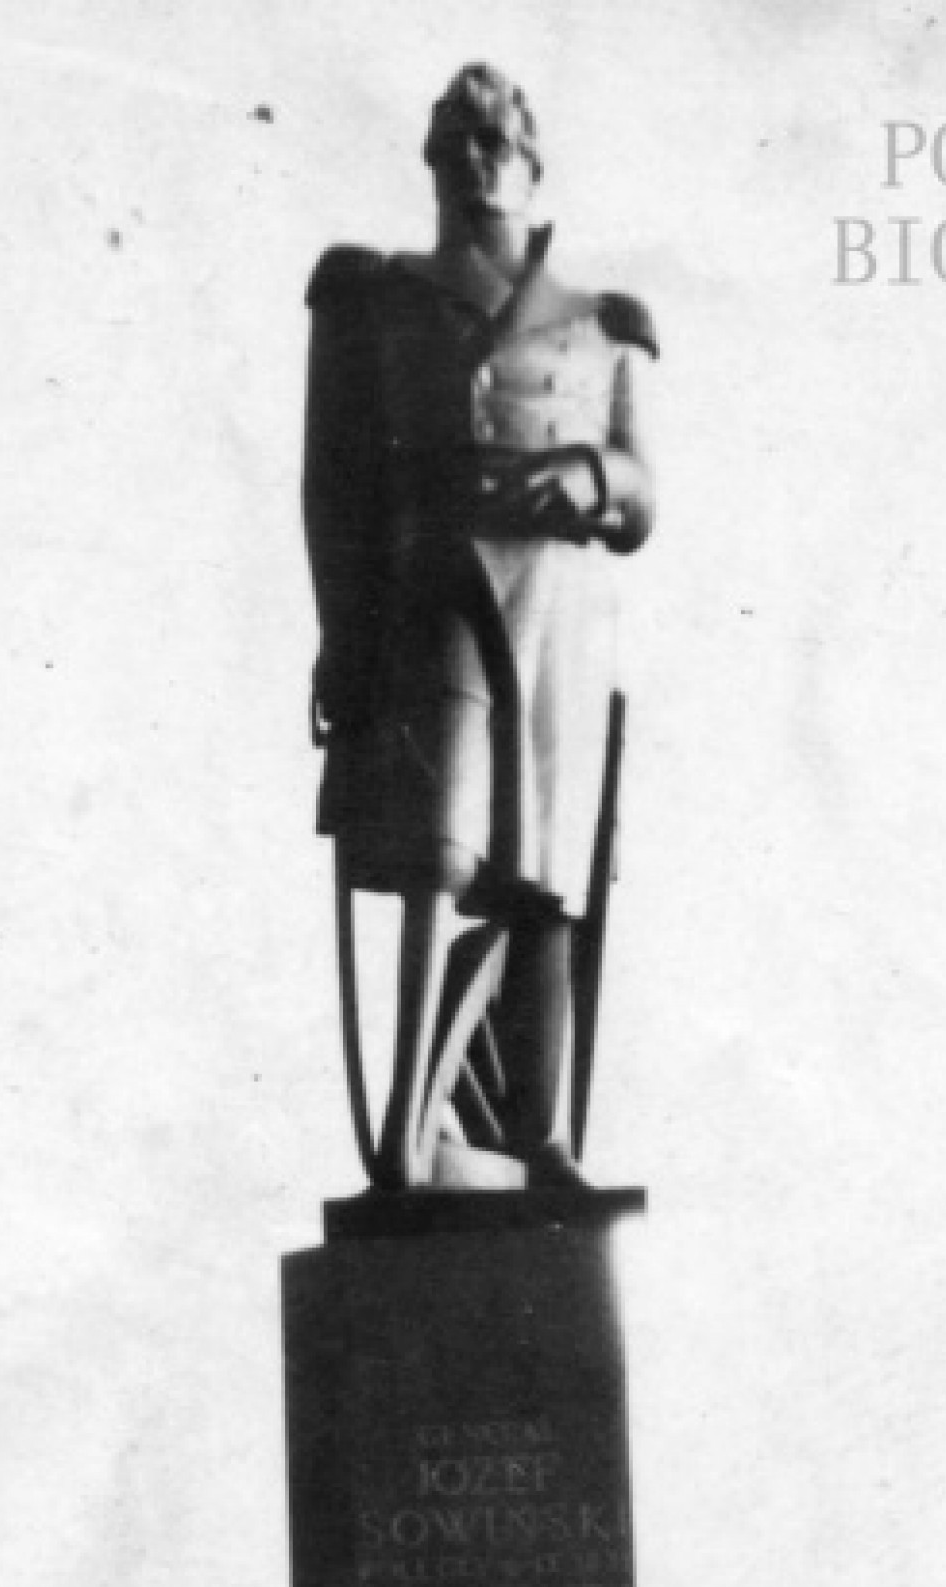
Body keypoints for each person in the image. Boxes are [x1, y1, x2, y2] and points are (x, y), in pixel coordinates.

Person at [303, 65, 656, 1188]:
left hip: (558, 602)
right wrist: (343, 634)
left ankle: (540, 1140)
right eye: (457, 141)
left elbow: (643, 490)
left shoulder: (602, 321)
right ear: (431, 162)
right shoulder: (376, 296)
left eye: (497, 138)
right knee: (431, 854)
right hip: (433, 586)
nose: (477, 157)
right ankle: (407, 1131)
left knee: (542, 879)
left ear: (532, 157)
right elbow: (333, 483)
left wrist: (591, 475)